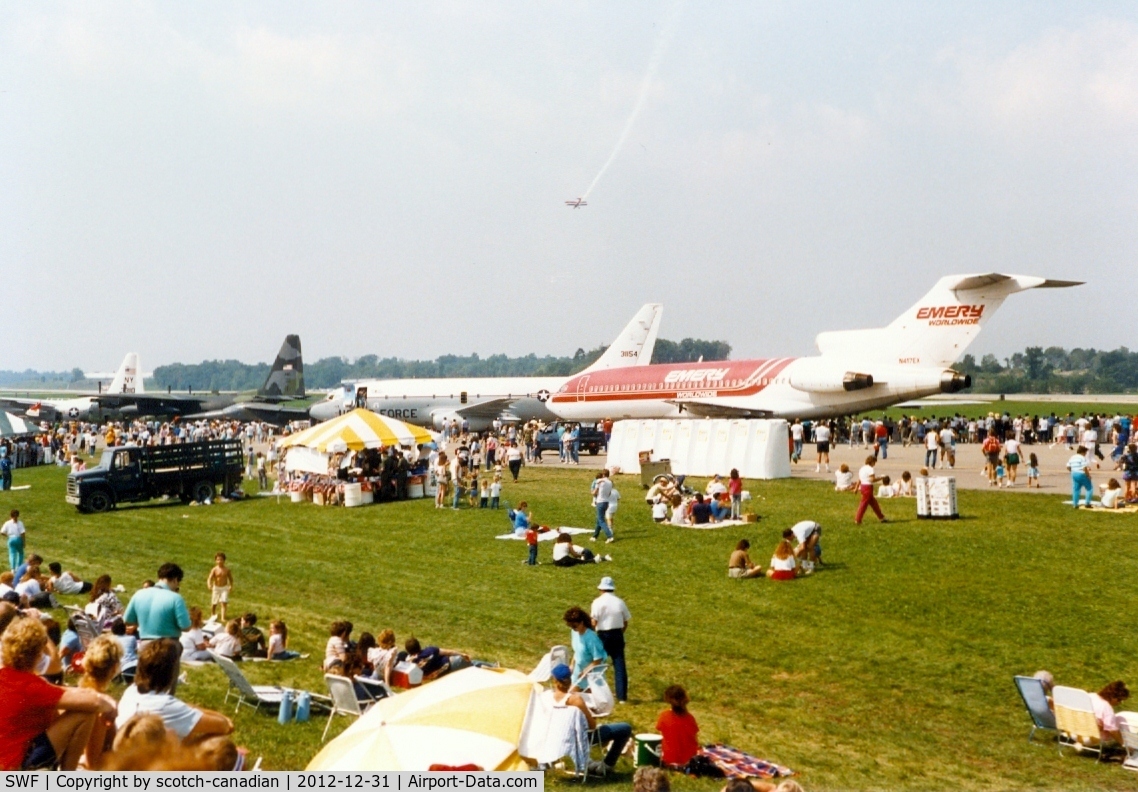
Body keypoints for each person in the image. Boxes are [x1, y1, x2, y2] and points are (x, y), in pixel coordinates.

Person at [0, 616, 117, 771]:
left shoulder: (8, 676)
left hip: (8, 760)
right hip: (17, 767)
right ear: (38, 653)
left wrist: (96, 695)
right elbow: (94, 703)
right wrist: (109, 706)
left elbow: (60, 690)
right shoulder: (32, 686)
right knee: (85, 713)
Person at [115, 639, 234, 743]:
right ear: (170, 672)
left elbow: (186, 708)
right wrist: (224, 718)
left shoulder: (131, 692)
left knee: (185, 731)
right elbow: (223, 726)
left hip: (125, 758)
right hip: (148, 765)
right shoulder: (165, 705)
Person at [548, 663, 631, 777]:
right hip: (578, 740)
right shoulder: (576, 700)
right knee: (625, 728)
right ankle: (606, 766)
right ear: (570, 679)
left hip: (556, 739)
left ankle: (587, 762)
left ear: (554, 680)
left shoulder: (546, 697)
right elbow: (591, 726)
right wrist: (594, 717)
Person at [124, 563, 191, 641]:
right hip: (168, 644)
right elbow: (185, 626)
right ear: (175, 579)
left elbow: (127, 620)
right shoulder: (176, 598)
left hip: (145, 644)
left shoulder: (139, 594)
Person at [591, 576, 630, 703]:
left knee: (598, 664)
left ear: (601, 589)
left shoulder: (597, 602)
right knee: (619, 665)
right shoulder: (620, 602)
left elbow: (594, 622)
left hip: (603, 635)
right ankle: (622, 696)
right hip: (617, 634)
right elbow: (625, 622)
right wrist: (620, 633)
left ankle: (599, 693)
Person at [656, 684, 700, 768]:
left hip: (668, 758)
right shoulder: (690, 718)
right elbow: (695, 739)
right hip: (688, 760)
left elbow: (660, 737)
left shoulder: (664, 716)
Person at [564, 606, 607, 689]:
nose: (573, 628)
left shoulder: (591, 638)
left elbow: (598, 659)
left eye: (575, 626)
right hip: (578, 672)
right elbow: (577, 651)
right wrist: (572, 665)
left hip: (592, 676)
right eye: (571, 626)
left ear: (582, 622)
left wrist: (586, 671)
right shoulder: (574, 632)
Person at [404, 637, 470, 682]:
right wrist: (461, 654)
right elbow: (448, 652)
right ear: (419, 646)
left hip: (442, 673)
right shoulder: (430, 650)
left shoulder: (410, 665)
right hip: (450, 664)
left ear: (408, 651)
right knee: (472, 664)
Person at [1090, 680, 1130, 747]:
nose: (1120, 703)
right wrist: (1124, 744)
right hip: (1092, 738)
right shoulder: (1107, 708)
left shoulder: (1091, 696)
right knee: (1120, 720)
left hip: (1075, 734)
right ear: (1112, 696)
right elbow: (1112, 731)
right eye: (1119, 700)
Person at [855, 456, 887, 524]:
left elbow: (860, 479)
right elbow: (872, 479)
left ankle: (881, 517)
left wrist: (856, 487)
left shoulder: (862, 468)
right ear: (872, 462)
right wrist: (881, 478)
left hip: (863, 486)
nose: (874, 464)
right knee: (863, 504)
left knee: (874, 504)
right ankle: (858, 519)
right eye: (874, 462)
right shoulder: (870, 469)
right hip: (868, 487)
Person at [206, 553, 232, 623]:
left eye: (221, 559)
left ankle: (223, 617)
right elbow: (210, 578)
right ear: (215, 561)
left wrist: (231, 586)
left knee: (224, 602)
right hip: (216, 587)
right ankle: (212, 614)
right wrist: (209, 584)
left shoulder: (227, 570)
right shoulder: (214, 569)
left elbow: (230, 578)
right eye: (218, 560)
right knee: (214, 603)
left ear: (224, 560)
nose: (219, 561)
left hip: (224, 588)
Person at [591, 471, 614, 542]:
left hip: (600, 501)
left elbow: (594, 492)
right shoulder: (610, 482)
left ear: (603, 475)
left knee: (601, 521)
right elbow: (609, 493)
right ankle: (595, 536)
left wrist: (593, 492)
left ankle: (609, 536)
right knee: (599, 520)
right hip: (606, 502)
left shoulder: (600, 481)